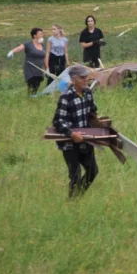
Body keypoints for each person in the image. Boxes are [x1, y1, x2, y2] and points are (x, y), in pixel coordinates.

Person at [52, 64, 100, 198]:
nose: (86, 80)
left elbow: (92, 111)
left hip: (86, 139)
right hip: (69, 143)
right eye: (82, 77)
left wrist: (99, 122)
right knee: (75, 174)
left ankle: (77, 196)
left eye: (87, 77)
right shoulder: (65, 98)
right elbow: (57, 121)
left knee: (93, 171)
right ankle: (73, 201)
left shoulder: (88, 93)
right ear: (73, 80)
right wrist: (72, 134)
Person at [7, 27, 47, 93]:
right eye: (40, 34)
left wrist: (46, 68)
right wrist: (12, 51)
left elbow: (44, 57)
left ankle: (32, 100)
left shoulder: (42, 45)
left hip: (39, 70)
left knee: (36, 87)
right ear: (35, 35)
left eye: (42, 33)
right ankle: (30, 98)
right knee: (32, 85)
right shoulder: (28, 44)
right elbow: (19, 48)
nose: (42, 35)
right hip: (30, 70)